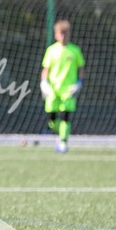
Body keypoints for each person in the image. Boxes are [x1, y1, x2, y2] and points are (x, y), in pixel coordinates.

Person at [40, 19, 85, 153]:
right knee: (52, 120)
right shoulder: (51, 50)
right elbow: (45, 69)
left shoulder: (75, 51)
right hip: (53, 89)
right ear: (56, 35)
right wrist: (44, 83)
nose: (64, 36)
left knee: (65, 116)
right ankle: (61, 135)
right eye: (61, 33)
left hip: (68, 89)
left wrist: (79, 83)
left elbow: (81, 68)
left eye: (66, 33)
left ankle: (63, 142)